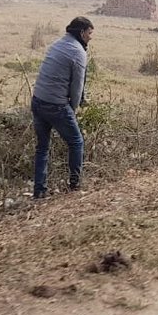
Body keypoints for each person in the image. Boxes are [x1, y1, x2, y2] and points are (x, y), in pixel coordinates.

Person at [32, 16, 94, 200]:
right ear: (82, 33)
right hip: (56, 105)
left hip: (37, 100)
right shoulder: (78, 52)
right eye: (90, 33)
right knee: (76, 142)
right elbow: (77, 88)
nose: (91, 37)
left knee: (42, 147)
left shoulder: (57, 44)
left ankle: (39, 191)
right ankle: (75, 186)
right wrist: (74, 110)